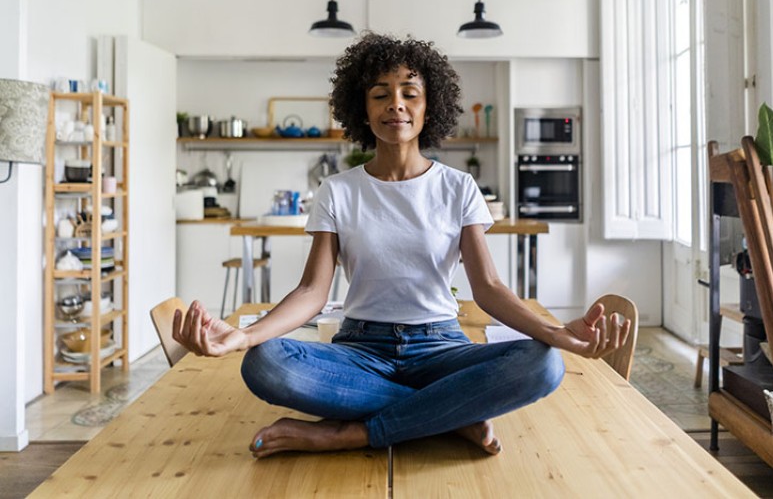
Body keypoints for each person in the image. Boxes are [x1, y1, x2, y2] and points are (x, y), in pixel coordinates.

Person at [173, 32, 630, 459]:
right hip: (360, 349)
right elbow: (312, 292)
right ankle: (446, 416)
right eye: (380, 94)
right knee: (265, 364)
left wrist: (556, 335)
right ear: (362, 108)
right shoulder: (337, 190)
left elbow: (487, 288)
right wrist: (244, 337)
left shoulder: (459, 187)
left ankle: (348, 433)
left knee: (543, 365)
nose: (396, 105)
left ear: (429, 106)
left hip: (441, 348)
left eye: (410, 93)